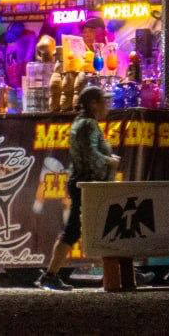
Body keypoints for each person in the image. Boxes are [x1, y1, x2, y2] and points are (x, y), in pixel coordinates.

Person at [36, 85, 120, 291]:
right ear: (93, 104)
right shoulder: (88, 125)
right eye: (103, 101)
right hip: (88, 184)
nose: (106, 105)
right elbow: (90, 155)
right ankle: (120, 273)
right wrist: (109, 161)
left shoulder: (81, 123)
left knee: (81, 229)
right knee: (100, 228)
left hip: (84, 183)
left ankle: (51, 275)